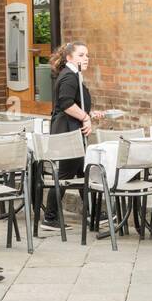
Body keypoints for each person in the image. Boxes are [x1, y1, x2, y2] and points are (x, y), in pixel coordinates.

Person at [46, 40, 105, 230]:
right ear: (69, 57)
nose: (86, 58)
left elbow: (75, 103)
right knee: (66, 174)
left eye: (87, 55)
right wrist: (85, 117)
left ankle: (93, 213)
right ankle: (50, 218)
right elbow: (65, 103)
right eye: (81, 55)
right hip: (68, 132)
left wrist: (89, 113)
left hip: (72, 130)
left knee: (82, 172)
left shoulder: (73, 75)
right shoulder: (69, 77)